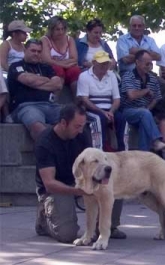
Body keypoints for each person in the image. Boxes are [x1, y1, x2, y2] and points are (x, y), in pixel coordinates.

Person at [35, 104, 125, 243]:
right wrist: (79, 191)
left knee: (114, 185)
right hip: (56, 189)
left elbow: (93, 164)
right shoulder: (45, 142)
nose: (81, 130)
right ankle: (44, 220)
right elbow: (49, 184)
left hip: (80, 180)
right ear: (63, 123)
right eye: (77, 126)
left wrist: (97, 181)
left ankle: (109, 227)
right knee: (67, 235)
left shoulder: (82, 135)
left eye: (83, 125)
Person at [7, 40, 63, 140]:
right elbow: (28, 80)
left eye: (39, 51)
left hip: (50, 105)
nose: (36, 54)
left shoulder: (46, 67)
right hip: (25, 106)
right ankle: (47, 154)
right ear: (25, 50)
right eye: (33, 51)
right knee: (38, 127)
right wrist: (47, 80)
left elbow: (58, 84)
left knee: (73, 120)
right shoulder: (16, 66)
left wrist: (34, 83)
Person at [119, 50, 165, 152]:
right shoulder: (128, 76)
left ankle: (143, 154)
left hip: (144, 112)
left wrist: (147, 109)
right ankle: (155, 140)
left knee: (144, 118)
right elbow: (131, 95)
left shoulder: (153, 79)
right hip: (128, 110)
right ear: (137, 62)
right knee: (145, 114)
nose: (149, 66)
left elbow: (157, 97)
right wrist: (146, 91)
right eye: (147, 63)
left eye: (151, 64)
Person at [76, 51, 125, 152]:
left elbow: (117, 99)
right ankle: (98, 151)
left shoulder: (112, 76)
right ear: (94, 63)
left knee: (122, 119)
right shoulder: (84, 76)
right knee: (99, 119)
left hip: (109, 109)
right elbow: (84, 100)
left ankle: (124, 151)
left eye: (106, 63)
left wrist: (111, 111)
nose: (104, 66)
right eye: (101, 63)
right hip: (91, 109)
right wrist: (103, 112)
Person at [40, 16, 81, 95]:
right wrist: (64, 65)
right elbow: (46, 60)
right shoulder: (45, 40)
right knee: (58, 69)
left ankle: (77, 102)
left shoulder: (69, 39)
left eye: (63, 29)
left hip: (67, 69)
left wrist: (56, 61)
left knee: (75, 71)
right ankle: (55, 101)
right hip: (51, 70)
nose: (61, 32)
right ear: (51, 30)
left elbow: (74, 59)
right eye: (57, 29)